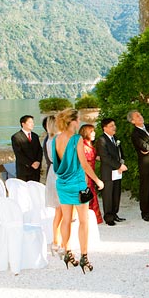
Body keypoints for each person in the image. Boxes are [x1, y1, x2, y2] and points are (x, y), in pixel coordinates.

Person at [52, 108, 104, 273]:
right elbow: (84, 164)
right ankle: (84, 256)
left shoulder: (56, 139)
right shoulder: (76, 139)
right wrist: (97, 180)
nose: (80, 121)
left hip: (62, 184)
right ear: (72, 121)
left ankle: (67, 252)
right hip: (77, 184)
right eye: (78, 119)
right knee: (83, 221)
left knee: (66, 220)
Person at [96, 118, 127, 226]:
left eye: (114, 125)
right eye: (111, 126)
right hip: (108, 171)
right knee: (108, 195)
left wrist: (121, 163)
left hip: (117, 171)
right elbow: (105, 157)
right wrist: (118, 166)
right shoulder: (102, 140)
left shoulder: (115, 138)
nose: (114, 127)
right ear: (105, 128)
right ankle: (108, 217)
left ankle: (115, 213)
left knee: (116, 193)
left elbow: (120, 153)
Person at [44, 115, 63, 257]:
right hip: (61, 174)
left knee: (59, 211)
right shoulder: (57, 140)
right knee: (64, 210)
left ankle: (56, 240)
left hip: (53, 173)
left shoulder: (48, 140)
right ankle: (61, 242)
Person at [79, 124, 102, 224]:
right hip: (85, 174)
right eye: (91, 131)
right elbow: (83, 163)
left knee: (91, 195)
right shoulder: (83, 145)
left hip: (91, 172)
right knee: (87, 195)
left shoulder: (89, 144)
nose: (94, 133)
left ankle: (93, 218)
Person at [11, 114, 43, 181]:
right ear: (23, 124)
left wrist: (38, 161)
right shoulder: (16, 137)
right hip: (24, 170)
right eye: (30, 122)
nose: (32, 124)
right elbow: (18, 154)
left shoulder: (35, 136)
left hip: (36, 170)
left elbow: (39, 150)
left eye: (33, 122)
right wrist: (31, 164)